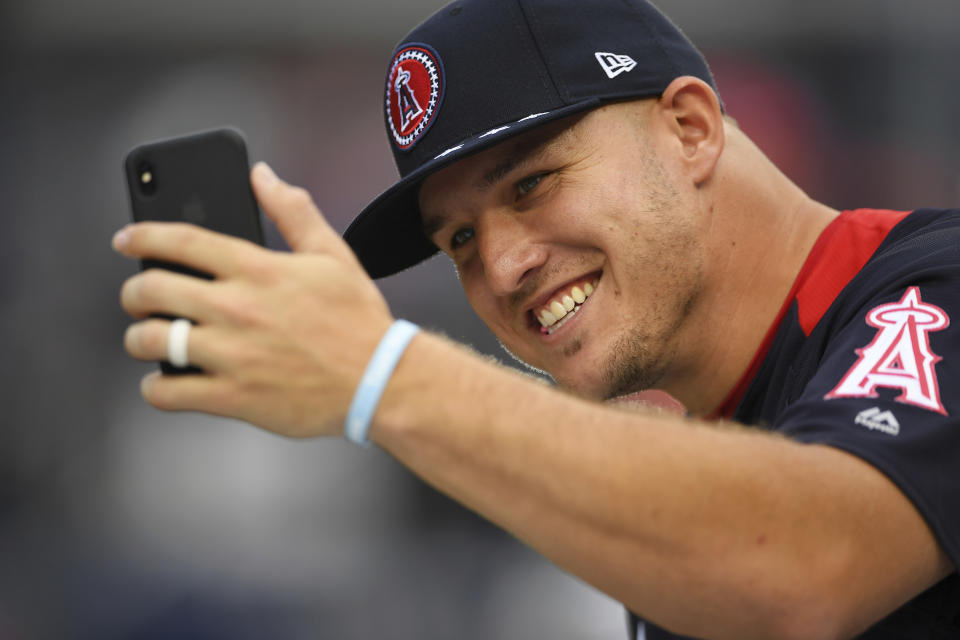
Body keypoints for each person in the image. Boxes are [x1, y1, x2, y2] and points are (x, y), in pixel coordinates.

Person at [112, 0, 959, 638]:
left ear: (692, 129)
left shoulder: (938, 285)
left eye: (532, 183)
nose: (505, 265)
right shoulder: (685, 478)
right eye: (461, 239)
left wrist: (383, 373)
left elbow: (801, 568)